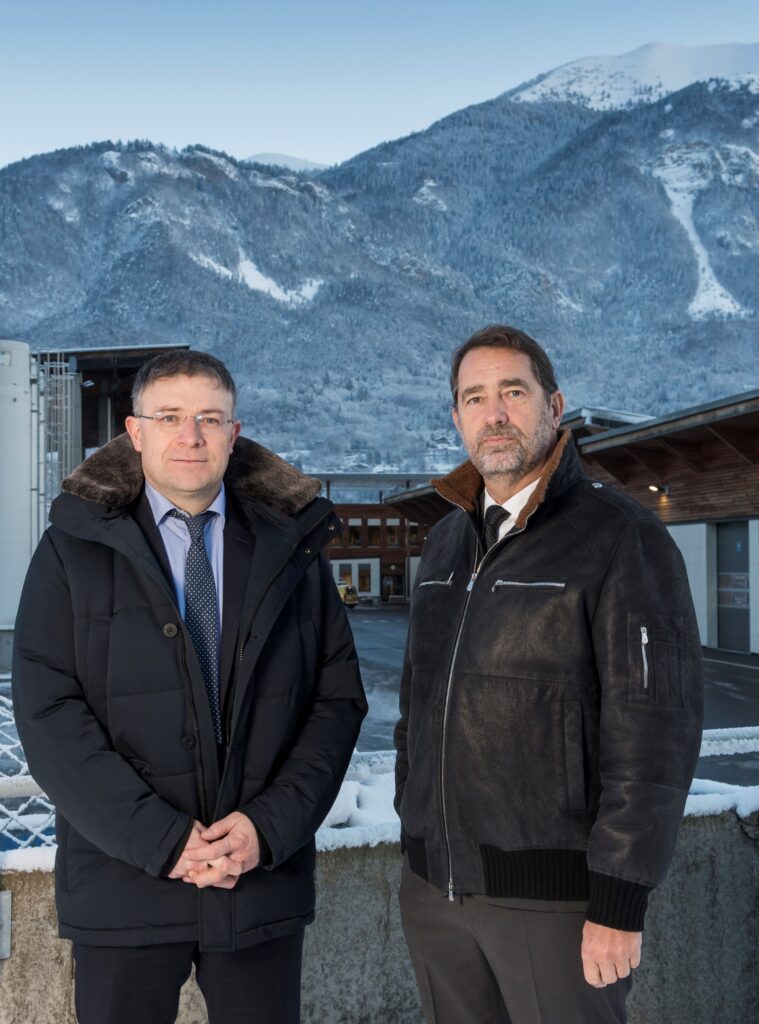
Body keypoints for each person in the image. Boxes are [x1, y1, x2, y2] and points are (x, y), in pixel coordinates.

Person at [13, 350, 367, 1024]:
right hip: (124, 883)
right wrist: (160, 839)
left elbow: (336, 700)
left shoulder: (292, 551)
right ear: (134, 432)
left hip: (256, 881)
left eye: (209, 418)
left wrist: (269, 828)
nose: (191, 435)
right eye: (169, 417)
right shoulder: (71, 549)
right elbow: (47, 712)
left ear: (234, 434)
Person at [394, 325, 703, 1024]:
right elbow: (418, 703)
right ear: (456, 417)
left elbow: (656, 731)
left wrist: (619, 898)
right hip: (435, 892)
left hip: (558, 902)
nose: (494, 413)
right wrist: (415, 826)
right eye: (475, 398)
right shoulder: (443, 543)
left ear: (553, 406)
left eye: (513, 392)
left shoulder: (618, 535)